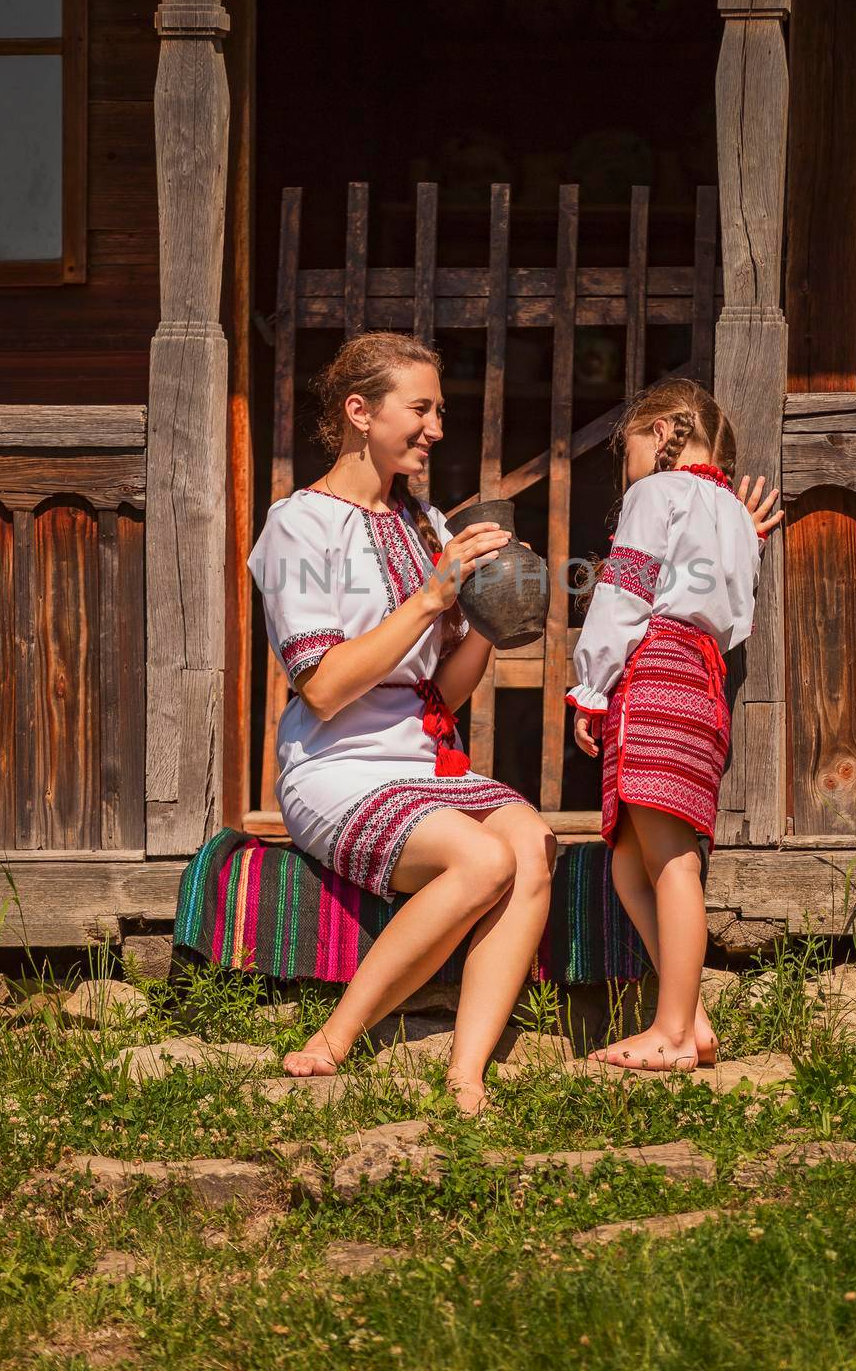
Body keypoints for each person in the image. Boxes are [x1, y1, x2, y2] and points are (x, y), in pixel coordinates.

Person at [247, 330, 556, 1114]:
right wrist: (431, 597)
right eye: (419, 409)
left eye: (439, 411)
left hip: (420, 758)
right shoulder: (300, 526)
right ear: (359, 412)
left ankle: (466, 1075)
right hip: (335, 764)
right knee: (481, 861)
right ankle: (334, 1038)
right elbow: (319, 688)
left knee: (530, 842)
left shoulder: (425, 524)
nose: (436, 427)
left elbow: (443, 696)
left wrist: (491, 609)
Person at [566, 378, 782, 1072]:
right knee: (633, 863)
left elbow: (624, 589)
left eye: (626, 442)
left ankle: (670, 1034)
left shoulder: (653, 495)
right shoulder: (734, 520)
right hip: (702, 680)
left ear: (661, 433)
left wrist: (590, 686)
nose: (623, 462)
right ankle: (692, 1017)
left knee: (670, 862)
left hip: (654, 668)